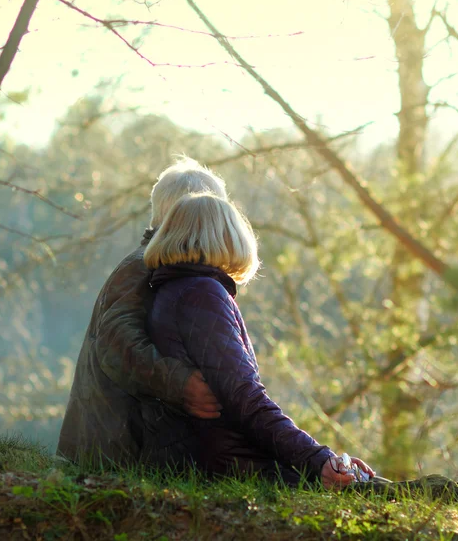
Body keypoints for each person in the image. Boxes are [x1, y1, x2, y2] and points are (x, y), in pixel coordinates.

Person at [141, 191, 375, 488]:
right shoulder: (202, 294)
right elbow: (245, 399)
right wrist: (318, 460)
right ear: (224, 236)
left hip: (204, 458)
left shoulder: (172, 290)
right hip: (228, 466)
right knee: (386, 491)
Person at [57, 157, 228, 466]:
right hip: (113, 456)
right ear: (186, 214)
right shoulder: (144, 265)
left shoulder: (162, 266)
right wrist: (182, 384)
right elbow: (116, 342)